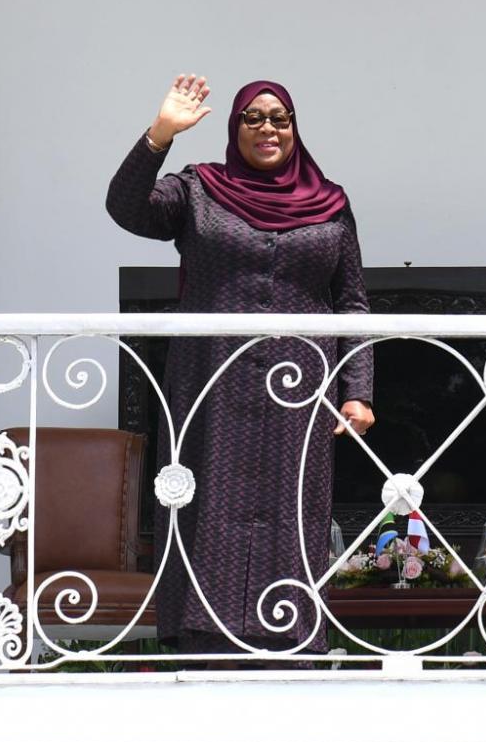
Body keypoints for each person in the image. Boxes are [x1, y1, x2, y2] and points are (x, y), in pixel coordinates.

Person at [107, 75, 374, 655]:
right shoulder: (199, 190)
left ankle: (291, 636)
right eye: (253, 118)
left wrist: (359, 388)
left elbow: (351, 299)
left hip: (301, 386)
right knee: (205, 501)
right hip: (209, 379)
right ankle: (198, 635)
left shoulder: (331, 202)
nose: (268, 128)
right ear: (234, 129)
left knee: (294, 505)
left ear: (296, 128)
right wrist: (161, 135)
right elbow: (125, 209)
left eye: (280, 118)